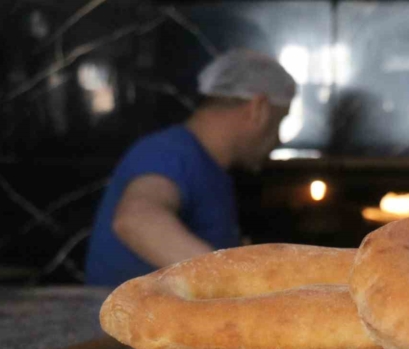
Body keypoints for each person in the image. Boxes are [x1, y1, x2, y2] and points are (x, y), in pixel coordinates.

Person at [85, 49, 296, 286]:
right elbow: (136, 219)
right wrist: (238, 282)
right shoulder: (169, 151)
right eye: (280, 122)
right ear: (259, 109)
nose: (278, 139)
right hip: (128, 321)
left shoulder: (211, 168)